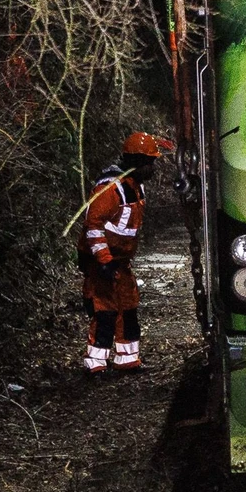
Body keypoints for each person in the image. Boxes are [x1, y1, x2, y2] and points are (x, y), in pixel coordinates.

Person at [77, 132, 171, 372]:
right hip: (103, 262)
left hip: (120, 261)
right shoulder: (110, 189)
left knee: (128, 307)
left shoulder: (135, 187)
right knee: (105, 310)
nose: (153, 168)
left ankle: (127, 358)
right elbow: (93, 226)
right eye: (150, 162)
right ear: (138, 162)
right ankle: (95, 362)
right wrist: (103, 261)